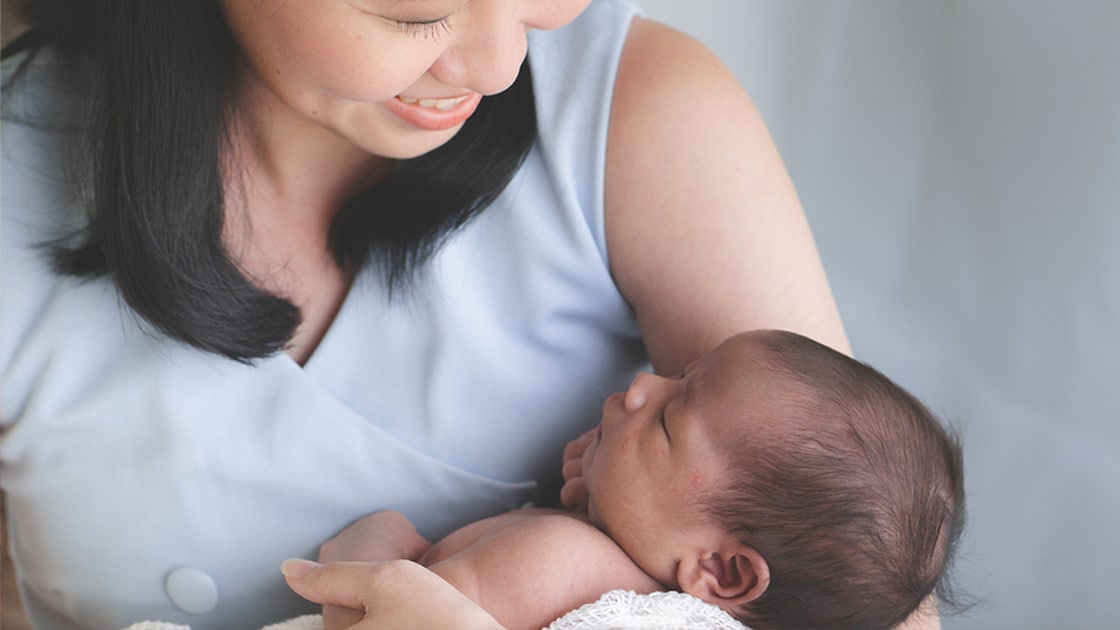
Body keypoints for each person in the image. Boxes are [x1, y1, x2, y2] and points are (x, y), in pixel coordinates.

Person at [0, 1, 917, 629]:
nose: (502, 63)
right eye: (414, 11)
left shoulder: (641, 118)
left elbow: (863, 582)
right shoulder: (19, 182)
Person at [280, 330, 964, 630]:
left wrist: (373, 542)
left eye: (668, 421)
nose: (643, 385)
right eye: (681, 375)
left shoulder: (558, 561)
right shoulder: (594, 558)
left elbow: (386, 618)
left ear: (721, 573)